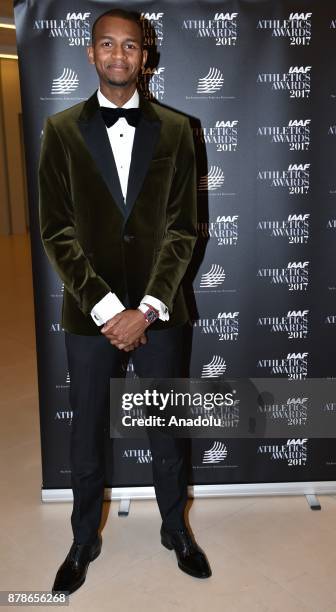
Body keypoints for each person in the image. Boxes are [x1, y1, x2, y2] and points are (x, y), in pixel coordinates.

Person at [38, 8, 212, 595]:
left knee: (168, 427)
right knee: (87, 432)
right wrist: (111, 310)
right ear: (91, 54)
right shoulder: (60, 131)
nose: (118, 55)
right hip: (91, 317)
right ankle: (83, 539)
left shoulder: (178, 128)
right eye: (107, 45)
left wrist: (149, 307)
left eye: (130, 46)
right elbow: (56, 230)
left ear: (145, 55)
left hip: (161, 314)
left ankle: (175, 530)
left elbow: (184, 229)